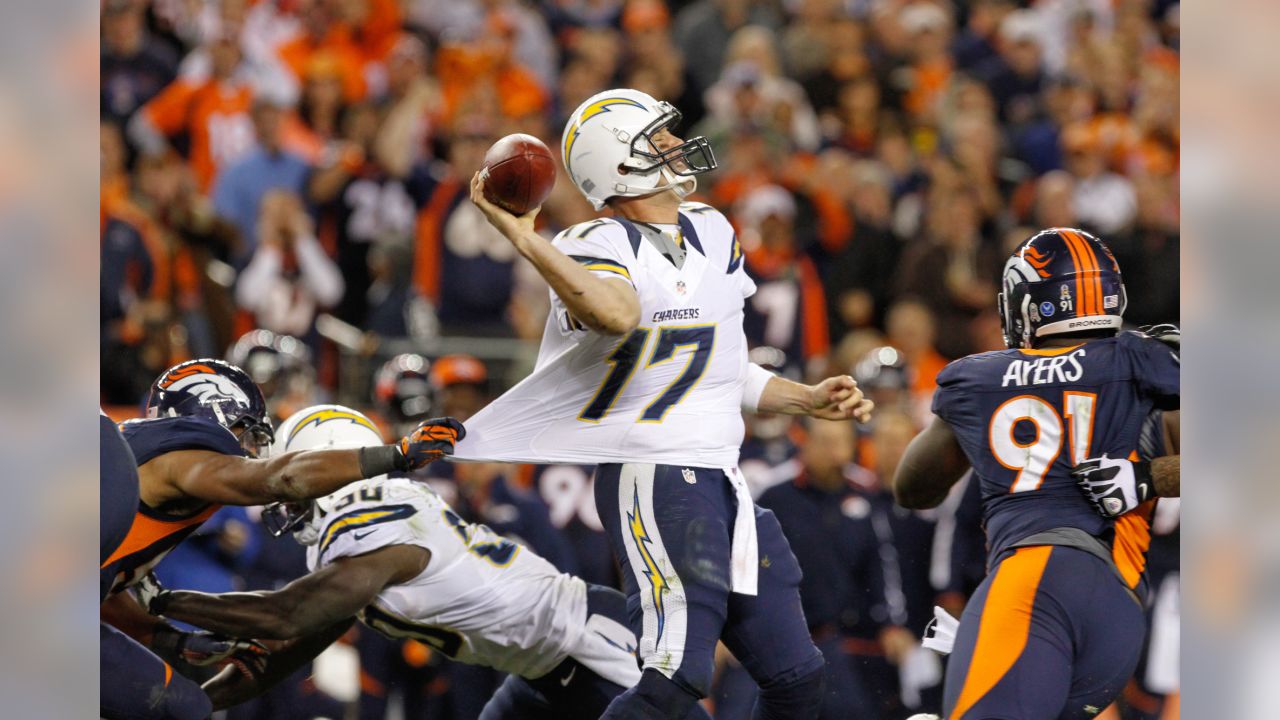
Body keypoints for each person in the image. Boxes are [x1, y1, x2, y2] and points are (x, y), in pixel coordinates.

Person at [457, 88, 874, 720]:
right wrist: (524, 237)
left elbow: (720, 370)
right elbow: (617, 313)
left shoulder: (712, 227)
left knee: (798, 679)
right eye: (657, 138)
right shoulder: (591, 240)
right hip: (653, 474)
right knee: (676, 675)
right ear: (617, 164)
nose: (677, 145)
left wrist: (805, 399)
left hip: (721, 479)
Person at [134, 405, 710, 720]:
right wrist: (188, 702)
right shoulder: (338, 546)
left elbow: (287, 613)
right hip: (537, 673)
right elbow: (280, 654)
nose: (284, 490)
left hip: (591, 643)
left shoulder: (379, 508)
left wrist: (161, 601)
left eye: (295, 467)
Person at [891, 228, 1180, 719]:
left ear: (1027, 302)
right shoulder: (1144, 361)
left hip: (1035, 583)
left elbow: (912, 488)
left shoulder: (979, 377)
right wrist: (1148, 476)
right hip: (1119, 612)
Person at [100, 360, 463, 719]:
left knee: (182, 707)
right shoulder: (182, 456)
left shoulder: (139, 471)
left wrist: (171, 639)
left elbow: (97, 589)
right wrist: (395, 455)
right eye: (248, 433)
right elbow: (280, 478)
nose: (254, 451)